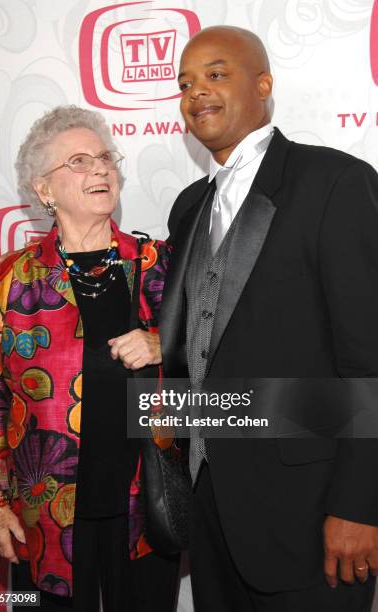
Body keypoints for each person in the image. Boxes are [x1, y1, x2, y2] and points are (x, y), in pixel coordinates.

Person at [158, 25, 378, 612]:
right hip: (210, 513)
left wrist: (359, 505)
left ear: (264, 85)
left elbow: (367, 357)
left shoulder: (335, 183)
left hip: (313, 515)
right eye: (185, 83)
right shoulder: (187, 207)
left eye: (216, 73)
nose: (196, 92)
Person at [0, 105, 179, 611]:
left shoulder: (157, 264)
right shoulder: (14, 278)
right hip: (44, 514)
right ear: (44, 190)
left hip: (146, 506)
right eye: (80, 161)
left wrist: (162, 343)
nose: (102, 169)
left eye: (106, 158)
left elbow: (208, 359)